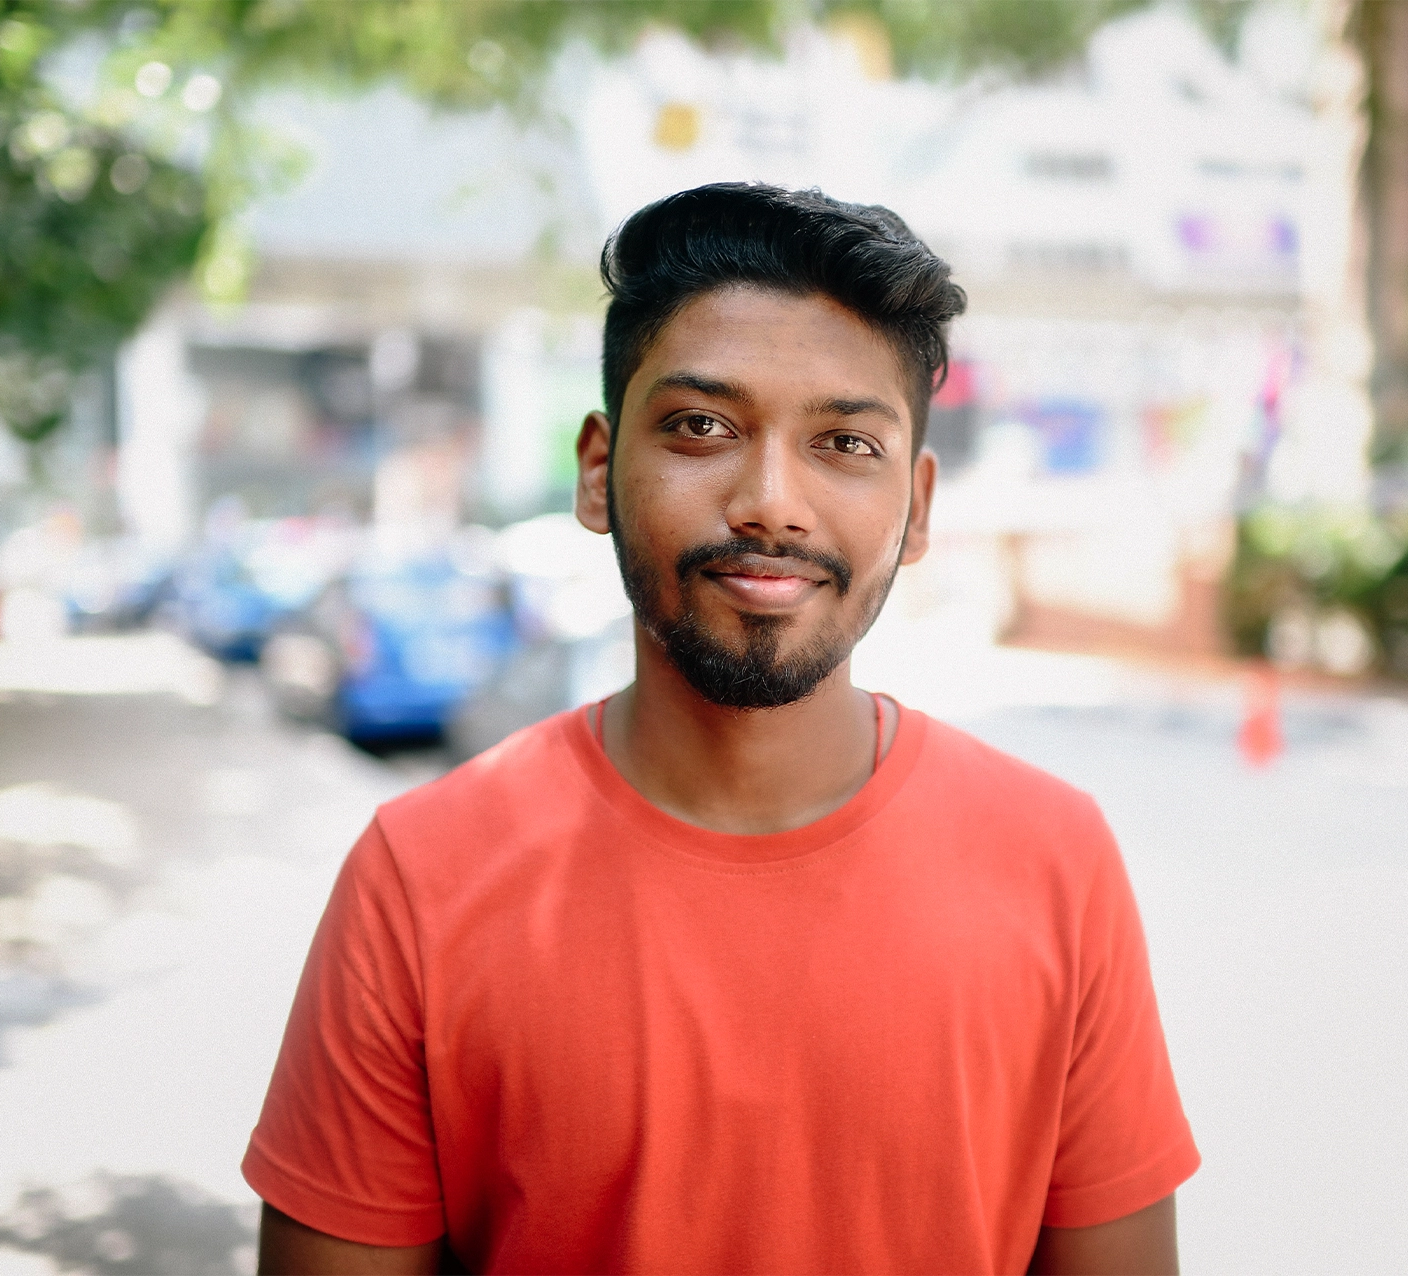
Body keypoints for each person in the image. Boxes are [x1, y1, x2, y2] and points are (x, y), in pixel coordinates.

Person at [246, 183, 1199, 1275]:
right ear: (599, 468)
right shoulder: (419, 880)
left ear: (919, 508)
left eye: (844, 440)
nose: (772, 501)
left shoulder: (1054, 861)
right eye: (702, 426)